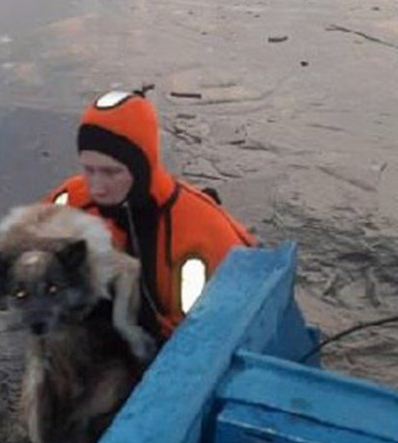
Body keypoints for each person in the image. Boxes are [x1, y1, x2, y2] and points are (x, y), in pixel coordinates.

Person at [44, 85, 256, 342]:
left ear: (142, 168)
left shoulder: (197, 240)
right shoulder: (71, 200)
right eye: (89, 170)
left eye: (112, 172)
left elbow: (201, 339)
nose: (96, 187)